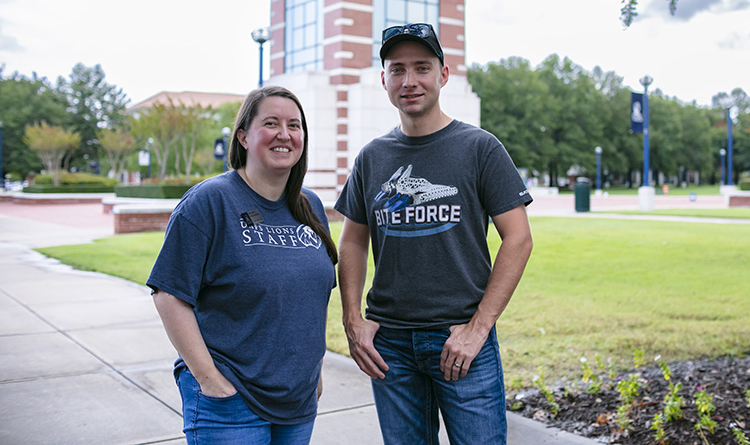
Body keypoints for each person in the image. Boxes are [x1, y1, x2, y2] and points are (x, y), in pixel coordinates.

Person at [334, 23, 534, 444]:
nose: (410, 81)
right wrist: (353, 320)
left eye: (422, 68)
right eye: (397, 69)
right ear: (384, 79)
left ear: (443, 76)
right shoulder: (372, 158)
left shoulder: (480, 148)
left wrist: (478, 328)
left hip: (461, 342)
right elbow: (352, 239)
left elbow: (518, 239)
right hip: (389, 345)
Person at [147, 86, 337, 445]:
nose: (284, 134)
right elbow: (169, 294)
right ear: (244, 137)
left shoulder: (310, 206)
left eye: (294, 125)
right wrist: (209, 380)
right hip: (231, 400)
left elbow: (314, 296)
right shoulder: (210, 201)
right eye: (271, 123)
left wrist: (316, 370)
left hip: (297, 399)